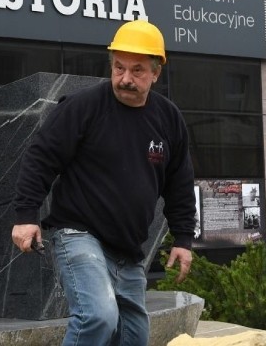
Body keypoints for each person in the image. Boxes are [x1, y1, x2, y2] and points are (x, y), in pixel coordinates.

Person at [11, 19, 196, 346]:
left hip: (128, 248)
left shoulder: (168, 119)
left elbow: (180, 182)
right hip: (79, 234)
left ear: (156, 72)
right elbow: (40, 157)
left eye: (137, 70)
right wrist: (26, 216)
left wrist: (183, 237)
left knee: (133, 337)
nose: (125, 79)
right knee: (98, 316)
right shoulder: (83, 107)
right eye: (119, 67)